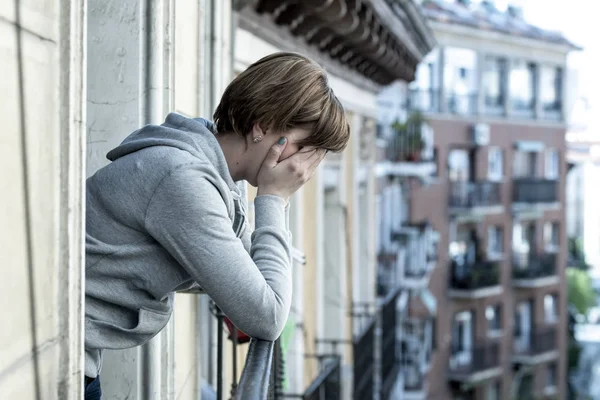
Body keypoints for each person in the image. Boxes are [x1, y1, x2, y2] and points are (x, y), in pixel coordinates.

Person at [83, 52, 350, 399]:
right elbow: (266, 315)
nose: (303, 169)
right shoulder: (182, 179)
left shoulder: (219, 175)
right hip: (57, 358)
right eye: (303, 148)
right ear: (264, 127)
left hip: (80, 357)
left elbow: (252, 279)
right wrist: (274, 197)